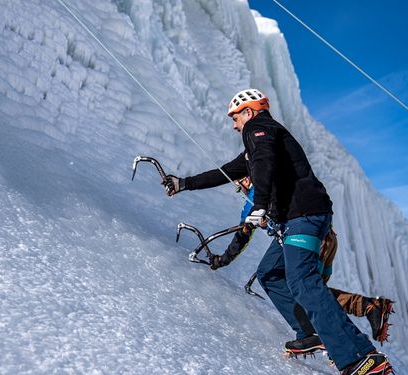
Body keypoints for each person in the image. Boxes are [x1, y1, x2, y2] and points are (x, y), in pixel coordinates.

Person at [162, 89, 393, 374]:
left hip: (303, 215)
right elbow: (224, 172)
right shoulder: (259, 144)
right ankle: (310, 332)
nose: (234, 125)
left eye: (235, 117)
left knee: (303, 282)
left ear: (249, 111)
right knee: (269, 273)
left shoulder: (260, 128)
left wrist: (260, 204)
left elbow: (264, 162)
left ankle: (361, 358)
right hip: (297, 220)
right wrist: (183, 183)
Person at [209, 177, 394, 358]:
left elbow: (243, 233)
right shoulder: (275, 185)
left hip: (307, 239)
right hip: (325, 238)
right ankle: (367, 309)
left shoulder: (258, 192)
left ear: (247, 179)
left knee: (306, 293)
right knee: (313, 295)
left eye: (239, 184)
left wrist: (222, 260)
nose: (240, 188)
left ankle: (324, 337)